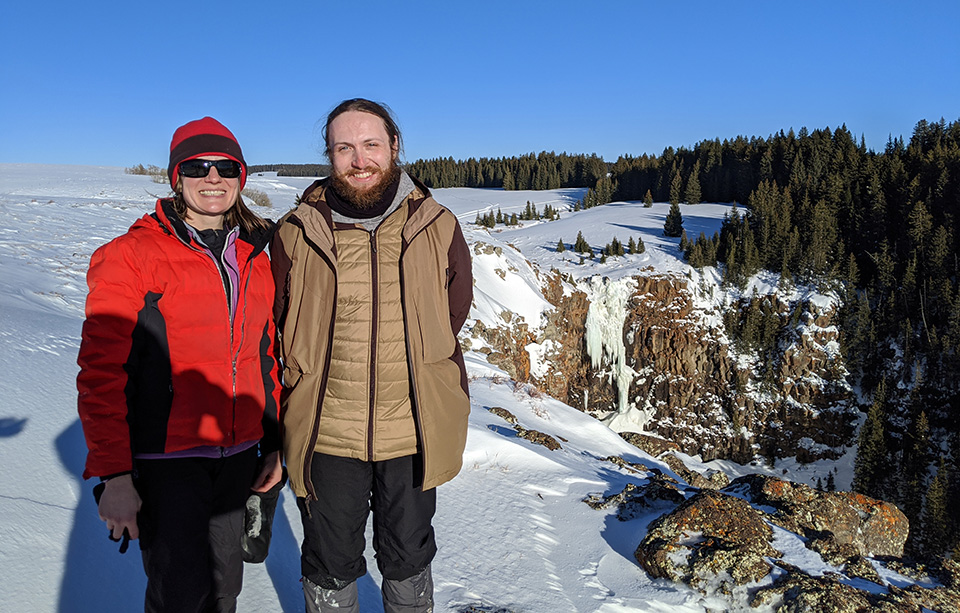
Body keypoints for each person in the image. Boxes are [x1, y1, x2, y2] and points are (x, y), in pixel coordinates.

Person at [271, 98, 473, 613]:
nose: (359, 160)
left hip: (413, 428)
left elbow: (452, 312)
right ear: (329, 156)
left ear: (394, 147)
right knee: (329, 559)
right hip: (326, 429)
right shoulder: (296, 232)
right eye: (344, 148)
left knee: (408, 557)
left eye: (370, 145)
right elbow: (276, 322)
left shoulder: (437, 225)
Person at [77, 117, 283, 612]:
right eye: (197, 167)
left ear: (242, 176)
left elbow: (266, 355)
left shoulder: (257, 255)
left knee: (224, 590)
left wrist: (274, 444)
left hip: (238, 458)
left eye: (225, 167)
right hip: (166, 463)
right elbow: (101, 374)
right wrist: (115, 475)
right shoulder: (131, 256)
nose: (212, 178)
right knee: (179, 597)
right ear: (176, 177)